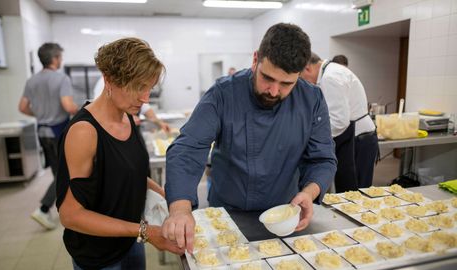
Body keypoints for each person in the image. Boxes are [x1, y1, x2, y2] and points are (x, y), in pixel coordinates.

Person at [162, 23, 337, 253]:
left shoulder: (311, 99)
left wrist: (309, 192)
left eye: (286, 84)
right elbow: (188, 149)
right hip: (228, 215)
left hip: (285, 215)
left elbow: (322, 159)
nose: (274, 91)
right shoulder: (224, 94)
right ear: (256, 59)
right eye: (267, 78)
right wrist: (180, 210)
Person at [55, 38, 183, 270]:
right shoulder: (85, 132)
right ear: (109, 80)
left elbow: (125, 175)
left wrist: (171, 200)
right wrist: (145, 231)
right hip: (98, 255)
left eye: (149, 88)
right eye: (137, 87)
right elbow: (70, 215)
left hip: (130, 242)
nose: (145, 98)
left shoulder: (127, 118)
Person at [18, 42, 79, 230]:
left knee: (57, 172)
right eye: (60, 57)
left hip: (42, 131)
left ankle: (64, 207)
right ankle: (44, 209)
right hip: (58, 131)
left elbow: (22, 107)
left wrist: (42, 115)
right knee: (65, 174)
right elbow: (68, 106)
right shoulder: (61, 79)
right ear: (54, 59)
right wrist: (85, 111)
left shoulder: (32, 80)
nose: (61, 60)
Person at [301, 53, 378, 193]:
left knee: (356, 194)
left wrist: (313, 138)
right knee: (352, 190)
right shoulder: (332, 71)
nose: (304, 82)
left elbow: (339, 121)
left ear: (307, 68)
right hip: (356, 137)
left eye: (301, 77)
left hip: (359, 140)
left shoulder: (330, 78)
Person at [93, 77, 171, 132]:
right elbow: (101, 108)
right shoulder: (103, 84)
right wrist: (126, 117)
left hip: (133, 131)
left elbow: (145, 107)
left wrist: (159, 122)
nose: (146, 100)